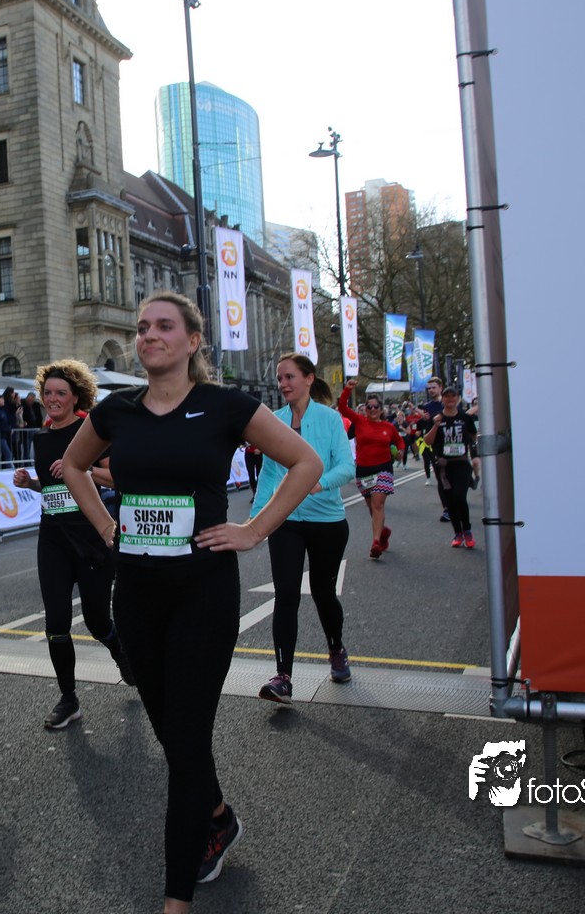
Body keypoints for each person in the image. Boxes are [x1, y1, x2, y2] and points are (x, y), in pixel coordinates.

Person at [61, 292, 322, 912]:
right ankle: (220, 818)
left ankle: (176, 899)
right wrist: (106, 526)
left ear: (193, 341)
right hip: (137, 595)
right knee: (177, 738)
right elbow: (71, 467)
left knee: (184, 748)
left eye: (163, 326)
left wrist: (254, 530)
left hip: (203, 593)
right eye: (142, 327)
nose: (149, 335)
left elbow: (305, 463)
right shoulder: (117, 411)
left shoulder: (225, 406)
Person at [12, 360, 131, 730]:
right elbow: (54, 485)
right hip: (53, 538)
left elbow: (119, 476)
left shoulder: (89, 429)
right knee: (56, 623)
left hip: (92, 536)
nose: (52, 399)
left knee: (97, 621)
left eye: (60, 393)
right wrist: (32, 483)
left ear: (76, 396)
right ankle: (68, 699)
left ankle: (121, 652)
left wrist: (82, 469)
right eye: (47, 393)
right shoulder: (42, 435)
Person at [252, 355, 356, 698]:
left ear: (309, 378)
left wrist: (316, 483)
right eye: (279, 378)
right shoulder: (274, 421)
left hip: (327, 522)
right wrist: (255, 521)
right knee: (286, 595)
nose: (283, 384)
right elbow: (269, 475)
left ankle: (336, 648)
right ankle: (282, 676)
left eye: (289, 377)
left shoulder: (330, 419)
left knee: (324, 593)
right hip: (286, 522)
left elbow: (347, 467)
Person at [338, 381, 405, 559]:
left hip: (383, 469)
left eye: (376, 406)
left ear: (381, 410)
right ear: (365, 409)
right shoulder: (360, 421)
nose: (373, 409)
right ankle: (383, 532)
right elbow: (342, 407)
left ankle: (376, 542)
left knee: (377, 504)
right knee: (371, 507)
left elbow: (399, 441)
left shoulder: (388, 427)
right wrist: (348, 389)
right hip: (364, 471)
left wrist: (400, 451)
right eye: (369, 406)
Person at [424, 385, 480, 549]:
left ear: (458, 399)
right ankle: (458, 533)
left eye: (453, 396)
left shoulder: (465, 418)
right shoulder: (436, 418)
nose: (450, 399)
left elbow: (473, 436)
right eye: (447, 396)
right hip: (443, 466)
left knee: (460, 498)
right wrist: (436, 425)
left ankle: (467, 530)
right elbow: (427, 441)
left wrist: (474, 455)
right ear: (442, 399)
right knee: (450, 502)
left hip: (461, 463)